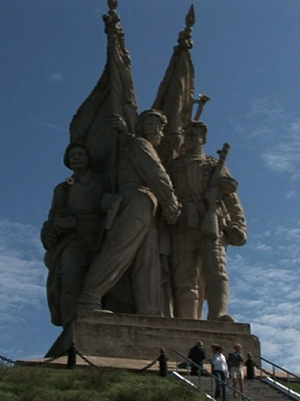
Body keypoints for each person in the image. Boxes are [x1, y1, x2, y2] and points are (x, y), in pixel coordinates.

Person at [77, 110, 181, 316]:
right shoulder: (139, 144)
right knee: (119, 249)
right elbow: (155, 174)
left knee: (147, 259)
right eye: (150, 124)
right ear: (141, 127)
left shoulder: (139, 144)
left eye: (159, 125)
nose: (156, 129)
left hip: (147, 202)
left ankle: (148, 308)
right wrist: (171, 202)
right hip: (136, 199)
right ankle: (89, 298)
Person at [169, 121, 247, 320]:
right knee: (184, 277)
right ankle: (187, 320)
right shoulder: (174, 166)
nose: (190, 139)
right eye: (187, 135)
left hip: (212, 222)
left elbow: (231, 198)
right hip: (183, 224)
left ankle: (218, 315)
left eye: (194, 135)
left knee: (216, 270)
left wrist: (238, 224)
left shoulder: (214, 165)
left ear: (203, 139)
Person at [41, 142, 105, 327]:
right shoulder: (62, 189)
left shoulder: (101, 180)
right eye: (73, 155)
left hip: (98, 235)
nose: (77, 157)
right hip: (72, 239)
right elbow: (51, 219)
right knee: (70, 278)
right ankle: (71, 324)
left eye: (81, 154)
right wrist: (50, 232)